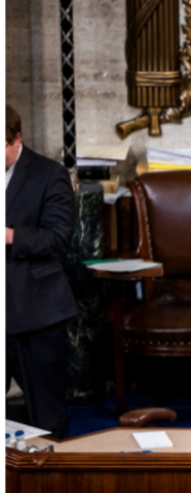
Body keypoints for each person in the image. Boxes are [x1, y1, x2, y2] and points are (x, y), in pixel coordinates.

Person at [5, 104, 78, 439]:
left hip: (34, 310)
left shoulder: (49, 174)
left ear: (16, 139)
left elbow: (58, 238)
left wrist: (9, 235)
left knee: (46, 420)